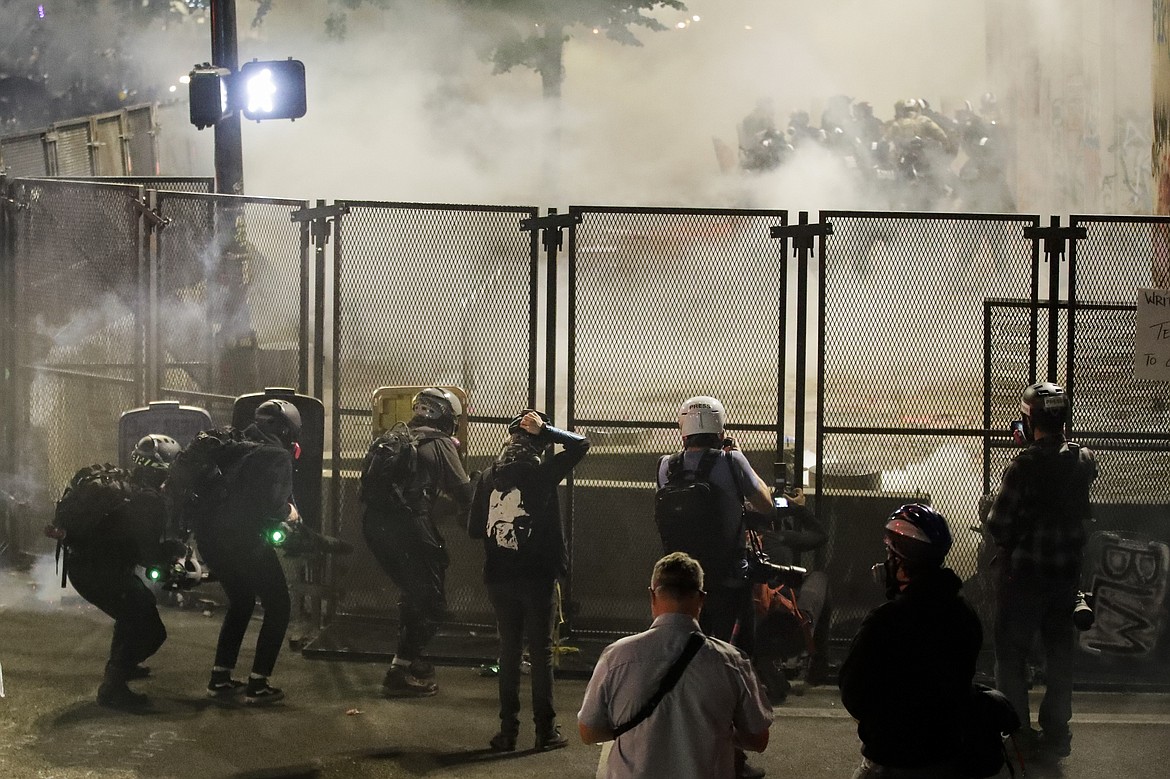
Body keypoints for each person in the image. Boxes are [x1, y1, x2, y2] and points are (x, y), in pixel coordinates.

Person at [656, 395, 773, 778]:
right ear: (720, 429)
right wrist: (738, 456)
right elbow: (765, 503)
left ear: (682, 430)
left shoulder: (666, 467)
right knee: (733, 665)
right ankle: (732, 761)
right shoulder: (731, 461)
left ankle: (682, 751)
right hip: (727, 582)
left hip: (682, 586)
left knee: (684, 665)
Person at [577, 552, 773, 779]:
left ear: (652, 596)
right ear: (701, 599)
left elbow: (588, 731)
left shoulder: (617, 656)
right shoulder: (732, 662)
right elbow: (758, 739)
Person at [986, 381, 1097, 759]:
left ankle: (1017, 733)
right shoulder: (1084, 460)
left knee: (1012, 656)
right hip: (1066, 576)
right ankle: (1057, 733)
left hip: (1025, 578)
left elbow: (999, 524)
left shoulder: (1022, 465)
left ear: (1029, 418)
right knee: (1059, 654)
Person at [467, 409, 589, 752]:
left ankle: (507, 732)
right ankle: (546, 731)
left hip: (499, 577)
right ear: (540, 445)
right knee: (541, 652)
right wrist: (549, 430)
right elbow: (582, 445)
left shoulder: (489, 477)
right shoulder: (542, 473)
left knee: (508, 651)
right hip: (537, 578)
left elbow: (475, 529)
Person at [839, 504, 983, 778]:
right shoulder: (964, 614)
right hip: (947, 754)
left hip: (891, 757)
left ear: (901, 561)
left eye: (890, 554)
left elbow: (852, 692)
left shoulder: (886, 620)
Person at [48, 434, 184, 709]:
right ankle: (114, 684)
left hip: (83, 567)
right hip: (102, 573)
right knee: (152, 630)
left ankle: (124, 665)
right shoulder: (149, 501)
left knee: (133, 609)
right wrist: (174, 553)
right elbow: (148, 556)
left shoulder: (123, 486)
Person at [361, 387, 473, 697]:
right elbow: (465, 496)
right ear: (447, 418)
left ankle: (410, 657)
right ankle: (398, 671)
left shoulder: (394, 437)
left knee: (412, 592)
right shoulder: (439, 444)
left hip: (375, 526)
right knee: (433, 603)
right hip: (409, 528)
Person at [195, 399, 302, 706]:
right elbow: (273, 505)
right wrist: (291, 514)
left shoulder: (233, 445)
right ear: (284, 430)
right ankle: (259, 684)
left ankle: (220, 678)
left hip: (210, 539)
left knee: (241, 601)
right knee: (279, 605)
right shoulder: (276, 456)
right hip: (243, 541)